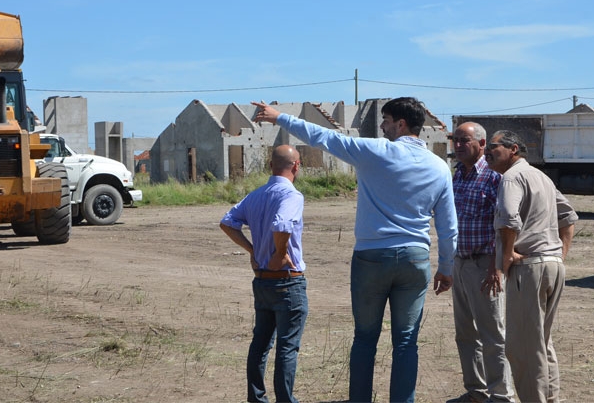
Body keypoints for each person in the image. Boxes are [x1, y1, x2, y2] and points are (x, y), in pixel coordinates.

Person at [252, 97, 457, 403]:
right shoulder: (440, 167)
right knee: (406, 342)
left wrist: (279, 117)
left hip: (372, 257)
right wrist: (447, 267)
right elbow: (448, 225)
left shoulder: (376, 151)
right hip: (415, 259)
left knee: (364, 338)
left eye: (386, 120)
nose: (383, 126)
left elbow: (324, 137)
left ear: (401, 124)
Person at [484, 130, 578, 403]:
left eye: (494, 146)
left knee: (523, 348)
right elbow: (569, 216)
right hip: (551, 265)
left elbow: (509, 219)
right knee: (541, 342)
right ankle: (549, 399)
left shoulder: (511, 177)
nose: (489, 151)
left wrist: (507, 256)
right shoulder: (541, 176)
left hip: (530, 267)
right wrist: (560, 254)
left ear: (513, 149)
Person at [219, 145, 308, 403]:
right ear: (296, 166)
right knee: (287, 348)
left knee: (260, 345)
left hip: (262, 281)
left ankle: (257, 398)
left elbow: (227, 223)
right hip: (288, 281)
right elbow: (282, 224)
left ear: (271, 166)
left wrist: (253, 249)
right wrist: (279, 252)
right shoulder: (292, 195)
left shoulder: (256, 195)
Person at [448, 122, 514, 403]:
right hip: (460, 262)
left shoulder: (495, 178)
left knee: (493, 334)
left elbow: (504, 226)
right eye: (456, 140)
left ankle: (501, 395)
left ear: (482, 144)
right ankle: (476, 391)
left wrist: (496, 266)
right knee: (465, 333)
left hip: (485, 264)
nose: (458, 145)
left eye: (465, 140)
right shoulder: (458, 175)